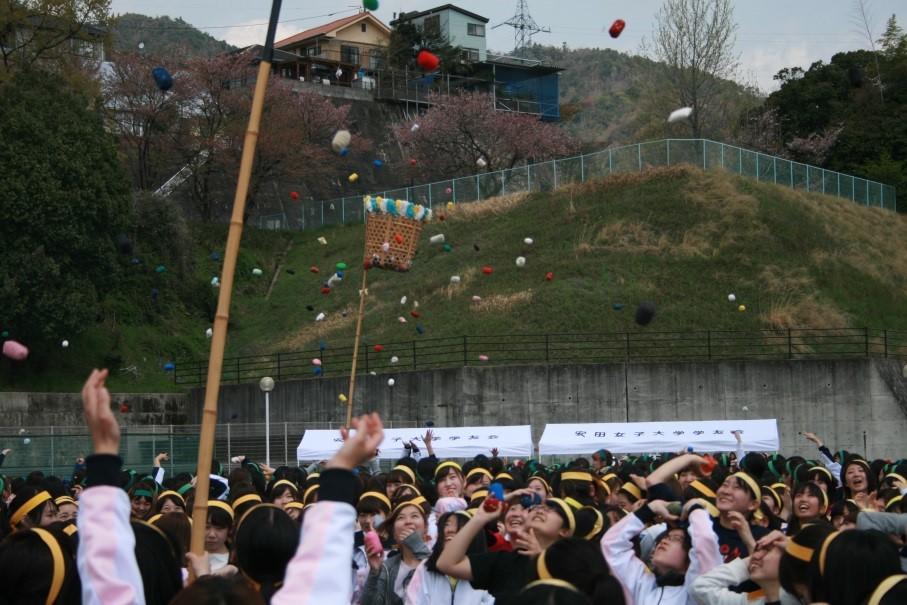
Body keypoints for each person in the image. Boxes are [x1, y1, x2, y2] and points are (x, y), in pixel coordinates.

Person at [601, 498, 722, 604]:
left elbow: (705, 540)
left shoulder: (696, 592)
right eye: (666, 537)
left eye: (677, 539)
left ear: (691, 554)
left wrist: (695, 509)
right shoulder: (644, 586)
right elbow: (611, 544)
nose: (664, 541)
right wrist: (649, 509)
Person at [404, 511, 493, 604]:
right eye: (446, 525)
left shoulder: (485, 571)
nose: (449, 530)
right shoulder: (425, 568)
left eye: (459, 525)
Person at [690, 530, 799, 604]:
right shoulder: (747, 602)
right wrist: (750, 561)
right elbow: (701, 587)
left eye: (767, 550)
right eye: (756, 550)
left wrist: (794, 550)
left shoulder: (802, 599)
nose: (755, 555)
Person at [361, 497, 432, 604]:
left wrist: (418, 547)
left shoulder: (439, 561)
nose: (408, 521)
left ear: (426, 528)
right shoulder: (387, 567)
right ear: (393, 533)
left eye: (414, 516)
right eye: (401, 518)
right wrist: (374, 572)